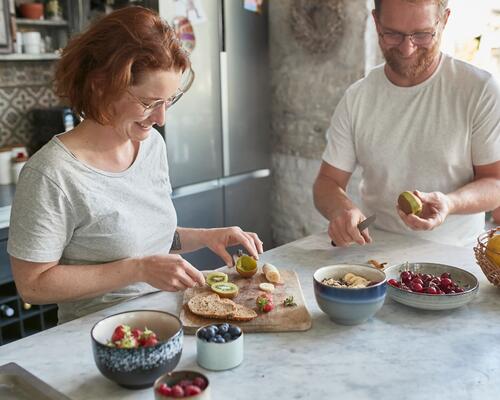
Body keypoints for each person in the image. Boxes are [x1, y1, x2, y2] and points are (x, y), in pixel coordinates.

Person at [7, 6, 263, 324]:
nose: (160, 119)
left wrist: (206, 236)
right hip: (97, 338)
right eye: (148, 102)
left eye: (168, 101)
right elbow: (33, 285)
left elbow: (140, 237)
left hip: (167, 319)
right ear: (102, 85)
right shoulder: (52, 174)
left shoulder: (151, 146)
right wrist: (137, 270)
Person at [313, 0, 500, 248]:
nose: (407, 49)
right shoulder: (358, 97)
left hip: (455, 259)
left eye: (422, 35)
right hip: (373, 256)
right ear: (376, 21)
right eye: (392, 34)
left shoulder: (478, 90)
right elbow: (327, 182)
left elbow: (495, 182)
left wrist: (449, 203)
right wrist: (342, 210)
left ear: (444, 20)